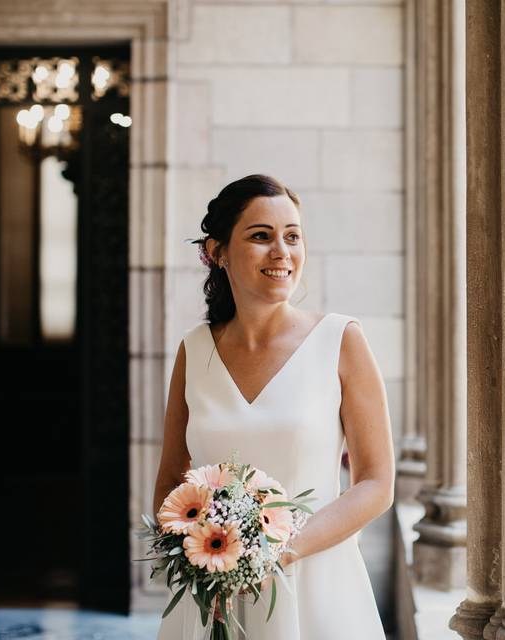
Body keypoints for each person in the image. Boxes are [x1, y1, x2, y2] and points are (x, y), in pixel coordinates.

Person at [153, 174, 394, 639]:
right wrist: (194, 555)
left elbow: (376, 483)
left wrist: (279, 553)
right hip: (215, 601)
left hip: (318, 590)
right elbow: (170, 479)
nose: (282, 252)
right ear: (217, 251)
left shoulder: (341, 340)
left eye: (293, 237)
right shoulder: (194, 349)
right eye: (261, 236)